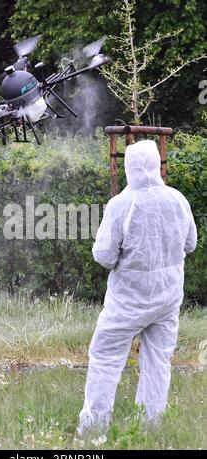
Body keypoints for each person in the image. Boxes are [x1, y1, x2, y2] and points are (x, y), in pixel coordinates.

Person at [78, 139, 197, 436]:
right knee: (158, 362)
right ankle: (149, 429)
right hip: (168, 297)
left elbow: (104, 257)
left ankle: (93, 430)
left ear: (128, 168)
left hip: (128, 300)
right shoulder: (177, 199)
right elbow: (190, 244)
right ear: (157, 164)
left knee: (105, 358)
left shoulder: (121, 204)